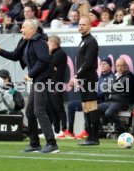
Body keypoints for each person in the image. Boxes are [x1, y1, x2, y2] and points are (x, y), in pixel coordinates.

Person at [0, 19, 59, 153]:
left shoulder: (40, 42)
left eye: (23, 27)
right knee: (29, 112)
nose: (21, 30)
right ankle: (34, 144)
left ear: (33, 30)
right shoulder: (24, 41)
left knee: (39, 111)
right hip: (37, 79)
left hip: (43, 79)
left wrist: (31, 74)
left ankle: (52, 143)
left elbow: (44, 60)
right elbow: (15, 55)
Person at [62, 57, 115, 139]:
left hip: (101, 102)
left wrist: (90, 94)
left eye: (105, 64)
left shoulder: (111, 77)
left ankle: (87, 130)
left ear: (110, 66)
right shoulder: (100, 77)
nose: (102, 66)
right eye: (101, 64)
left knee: (87, 105)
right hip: (91, 98)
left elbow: (104, 93)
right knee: (71, 105)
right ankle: (70, 131)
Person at [69, 16, 100, 145]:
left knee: (91, 106)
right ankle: (89, 135)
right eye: (80, 24)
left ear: (90, 26)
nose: (81, 26)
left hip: (89, 77)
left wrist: (76, 75)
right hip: (83, 78)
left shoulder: (91, 41)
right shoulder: (83, 41)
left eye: (84, 25)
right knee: (86, 107)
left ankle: (94, 137)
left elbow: (87, 62)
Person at [98, 58, 134, 134]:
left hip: (122, 102)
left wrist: (109, 88)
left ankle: (122, 128)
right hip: (111, 101)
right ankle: (100, 131)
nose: (120, 68)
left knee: (108, 113)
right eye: (118, 66)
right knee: (94, 109)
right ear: (115, 66)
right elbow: (108, 88)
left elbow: (118, 86)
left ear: (125, 66)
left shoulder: (128, 76)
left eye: (122, 65)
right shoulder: (115, 76)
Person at [46, 35, 67, 135]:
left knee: (58, 107)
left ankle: (64, 129)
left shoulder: (60, 53)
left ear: (54, 44)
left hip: (56, 84)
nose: (47, 44)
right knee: (51, 108)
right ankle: (56, 130)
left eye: (49, 42)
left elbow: (49, 64)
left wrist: (49, 53)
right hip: (50, 83)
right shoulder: (54, 53)